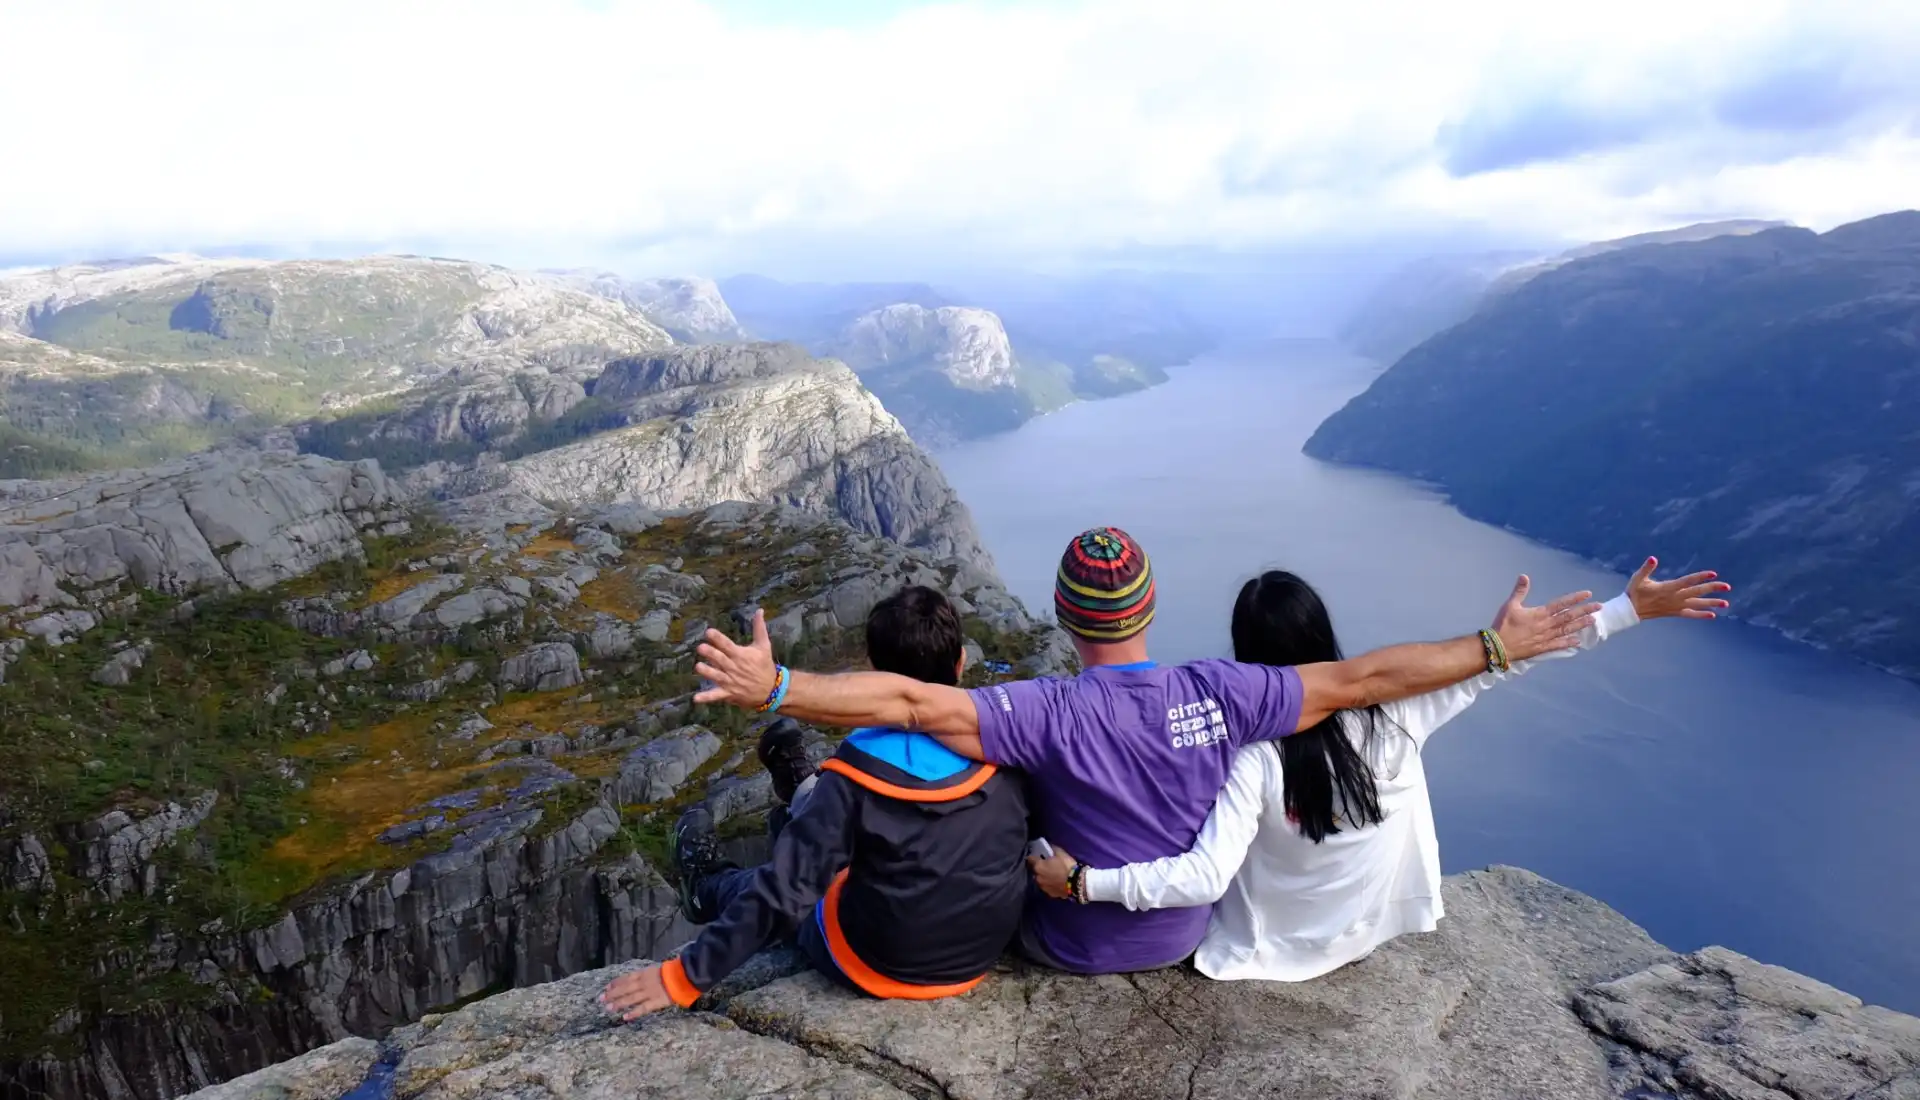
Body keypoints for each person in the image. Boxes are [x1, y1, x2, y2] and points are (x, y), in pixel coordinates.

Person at [690, 526, 1603, 976]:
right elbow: (1364, 678)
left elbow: (908, 701)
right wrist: (1494, 648)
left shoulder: (1040, 709)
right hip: (1179, 939)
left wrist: (779, 687)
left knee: (982, 800)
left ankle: (787, 819)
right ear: (1148, 608)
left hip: (1063, 935)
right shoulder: (1223, 693)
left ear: (1065, 617)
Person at [1026, 557, 1730, 981]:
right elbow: (1512, 659)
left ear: (1247, 659)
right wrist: (1626, 610)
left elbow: (1206, 877)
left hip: (1266, 953)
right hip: (1364, 934)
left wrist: (1085, 881)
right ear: (1323, 640)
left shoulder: (1252, 755)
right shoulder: (1394, 715)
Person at [600, 585, 1030, 1019]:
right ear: (960, 664)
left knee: (776, 878)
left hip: (878, 960)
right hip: (980, 951)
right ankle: (799, 789)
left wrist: (682, 977)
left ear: (873, 673)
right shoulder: (1009, 748)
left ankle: (707, 884)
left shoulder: (859, 775)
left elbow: (784, 892)